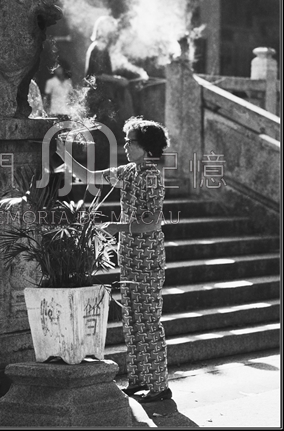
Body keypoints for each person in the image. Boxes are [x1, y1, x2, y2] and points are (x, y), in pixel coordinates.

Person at [56, 116, 172, 402]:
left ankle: (159, 386)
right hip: (130, 255)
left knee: (147, 320)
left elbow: (152, 222)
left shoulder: (151, 176)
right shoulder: (129, 171)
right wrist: (64, 153)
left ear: (146, 147)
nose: (126, 145)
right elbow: (89, 176)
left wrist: (118, 227)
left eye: (131, 141)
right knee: (132, 319)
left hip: (147, 258)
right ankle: (138, 379)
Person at [84, 16, 135, 137]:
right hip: (99, 97)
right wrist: (118, 79)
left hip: (101, 96)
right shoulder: (99, 47)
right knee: (102, 133)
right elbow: (98, 74)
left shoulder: (101, 47)